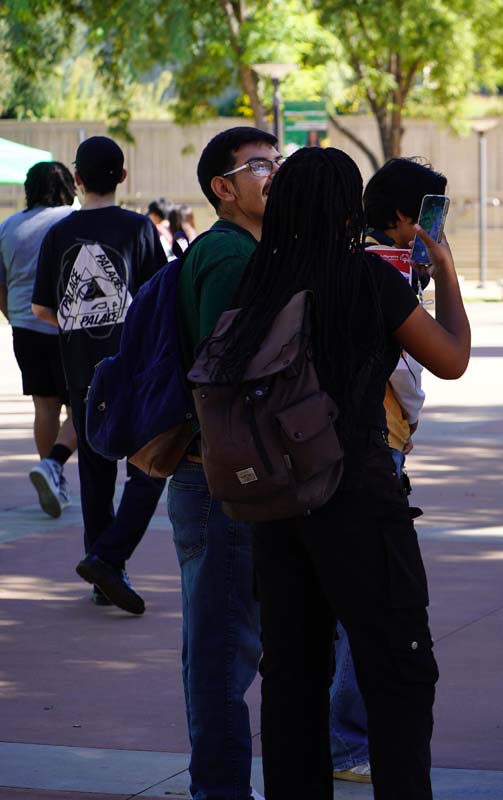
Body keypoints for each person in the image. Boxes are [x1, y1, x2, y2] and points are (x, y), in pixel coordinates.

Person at [202, 146, 470, 799]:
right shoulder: (368, 280)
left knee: (293, 673)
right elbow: (452, 359)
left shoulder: (257, 282)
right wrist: (448, 275)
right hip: (358, 494)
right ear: (350, 209)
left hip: (278, 500)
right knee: (399, 669)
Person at [326, 157, 444, 785]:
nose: (435, 226)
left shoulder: (346, 263)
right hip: (377, 441)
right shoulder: (380, 271)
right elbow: (438, 361)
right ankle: (346, 739)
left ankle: (337, 735)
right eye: (430, 213)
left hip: (345, 443)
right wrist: (443, 274)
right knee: (372, 600)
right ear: (403, 216)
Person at [171, 126, 280, 800]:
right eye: (263, 165)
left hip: (218, 473)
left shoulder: (236, 250)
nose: (277, 174)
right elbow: (224, 377)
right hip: (224, 478)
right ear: (224, 187)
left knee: (218, 642)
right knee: (221, 651)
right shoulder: (232, 257)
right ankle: (220, 791)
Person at [31, 136, 168, 614]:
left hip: (81, 371)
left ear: (79, 179)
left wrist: (78, 322)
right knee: (146, 468)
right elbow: (157, 297)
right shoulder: (140, 229)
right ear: (124, 176)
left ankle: (101, 565)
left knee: (93, 475)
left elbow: (41, 307)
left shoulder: (58, 235)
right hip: (134, 368)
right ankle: (112, 557)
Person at [0, 161, 78, 518]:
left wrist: (14, 317)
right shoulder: (73, 218)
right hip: (70, 326)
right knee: (83, 403)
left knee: (44, 405)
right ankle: (55, 467)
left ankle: (52, 474)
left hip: (24, 326)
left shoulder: (8, 226)